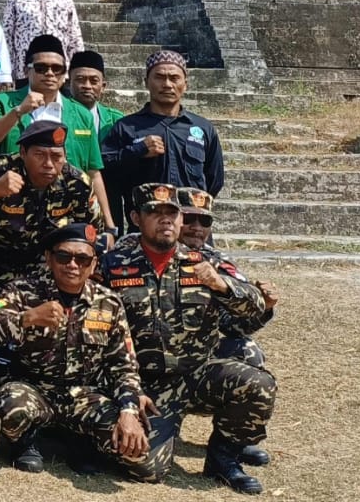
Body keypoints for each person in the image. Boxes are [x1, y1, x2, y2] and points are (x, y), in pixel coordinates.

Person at [100, 185, 276, 493]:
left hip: (197, 374)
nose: (165, 220)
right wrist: (125, 392)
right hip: (146, 385)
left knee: (257, 384)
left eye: (172, 213)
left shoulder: (203, 260)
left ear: (180, 220)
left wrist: (221, 285)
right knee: (146, 468)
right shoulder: (114, 264)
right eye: (155, 212)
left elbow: (255, 305)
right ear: (137, 218)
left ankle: (224, 458)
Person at [0, 222, 150, 477]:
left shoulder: (109, 302)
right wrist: (27, 318)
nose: (72, 265)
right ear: (49, 258)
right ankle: (28, 439)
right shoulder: (21, 290)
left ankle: (77, 439)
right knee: (11, 409)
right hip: (32, 388)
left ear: (93, 264)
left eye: (82, 259)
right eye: (64, 256)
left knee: (135, 450)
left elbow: (124, 365)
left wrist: (128, 411)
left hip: (83, 395)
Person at [0, 119, 98, 326]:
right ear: (23, 153)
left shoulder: (76, 183)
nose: (49, 164)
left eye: (56, 157)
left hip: (47, 267)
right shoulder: (0, 170)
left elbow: (90, 234)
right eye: (40, 155)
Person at [0, 34, 115, 230]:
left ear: (64, 74)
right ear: (27, 70)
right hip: (12, 214)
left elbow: (93, 172)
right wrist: (18, 112)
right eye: (41, 68)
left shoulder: (82, 114)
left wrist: (109, 226)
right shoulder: (3, 102)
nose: (50, 73)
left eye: (57, 69)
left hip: (65, 214)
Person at [101, 49, 225, 224]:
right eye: (159, 77)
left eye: (174, 78)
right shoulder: (126, 127)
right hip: (147, 226)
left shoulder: (203, 128)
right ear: (146, 82)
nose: (167, 84)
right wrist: (136, 151)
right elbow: (104, 168)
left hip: (191, 225)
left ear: (185, 84)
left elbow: (215, 180)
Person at [178, 189, 277, 369]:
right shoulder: (136, 251)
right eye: (188, 219)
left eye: (205, 221)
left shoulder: (216, 260)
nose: (197, 227)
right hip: (146, 355)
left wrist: (265, 307)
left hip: (197, 355)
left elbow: (233, 327)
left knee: (248, 351)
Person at [2, 0, 84, 85]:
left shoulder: (65, 1)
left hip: (59, 69)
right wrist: (7, 71)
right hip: (25, 69)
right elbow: (7, 38)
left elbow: (75, 38)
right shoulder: (16, 0)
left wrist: (78, 69)